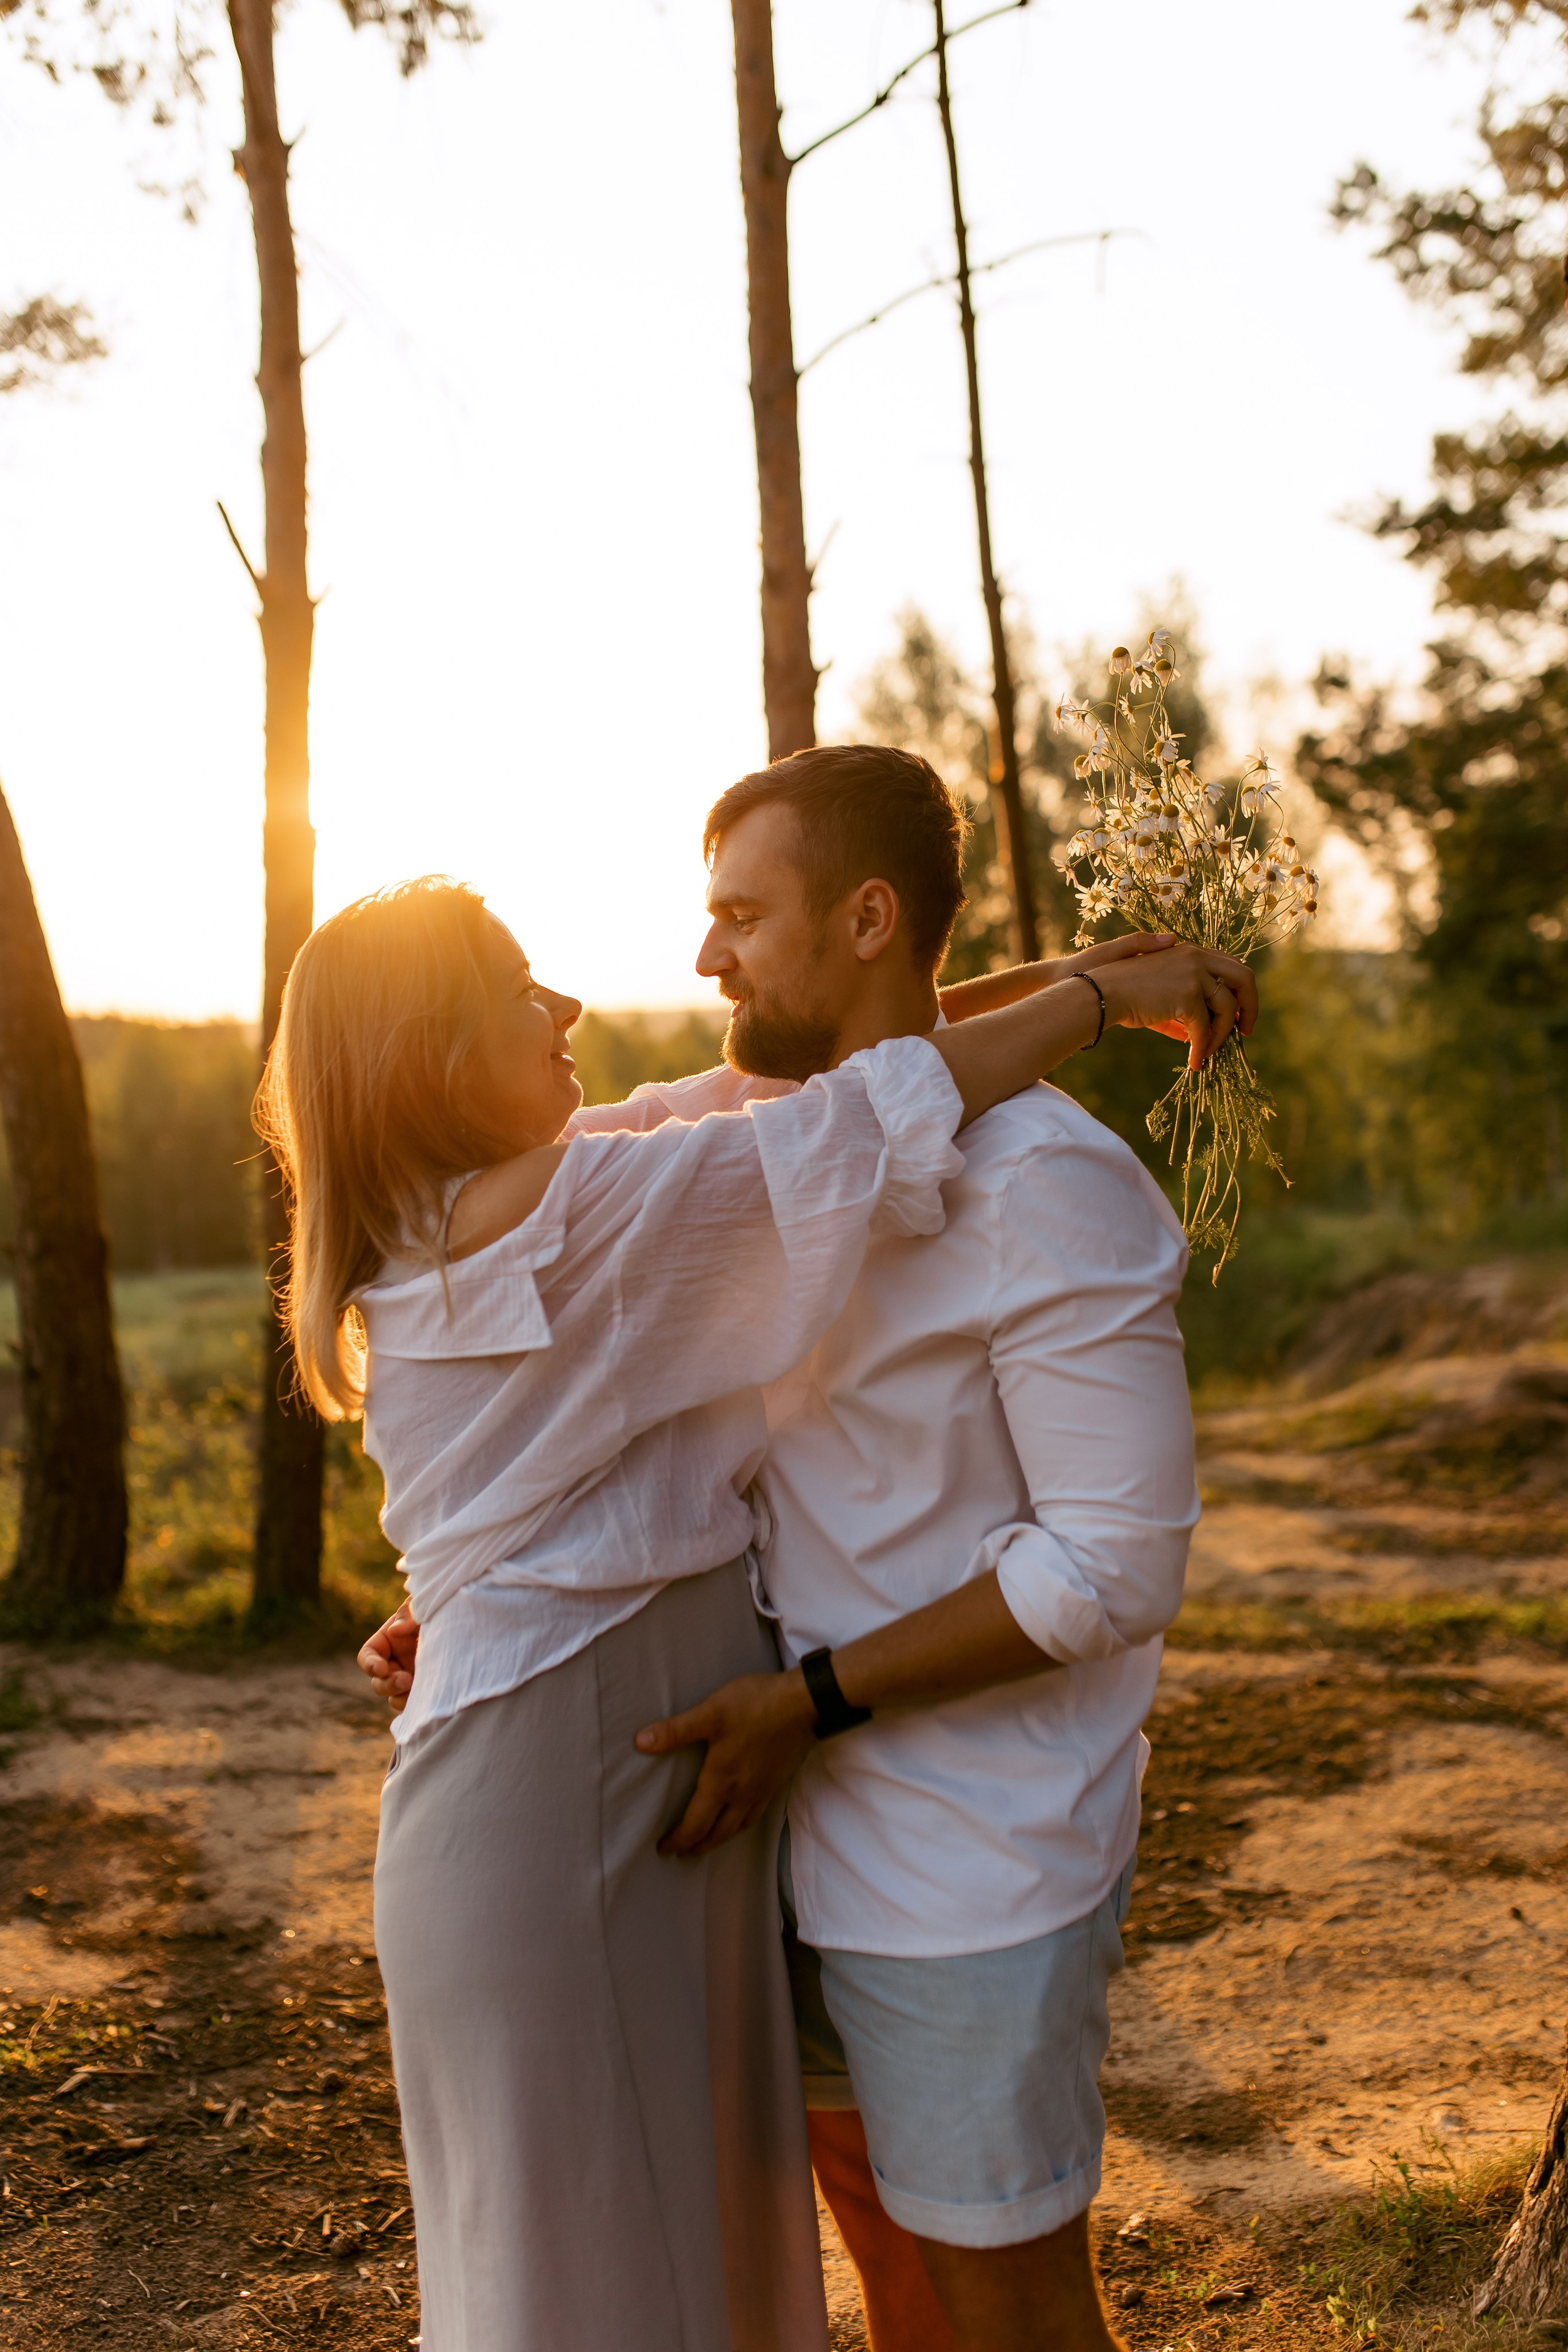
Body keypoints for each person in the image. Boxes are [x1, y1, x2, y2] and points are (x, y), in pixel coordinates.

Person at [263, 862, 1245, 2352]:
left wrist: (1069, 972)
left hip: (591, 1797)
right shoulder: (569, 1211)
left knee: (642, 2271)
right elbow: (855, 1108)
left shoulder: (509, 1198)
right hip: (567, 1816)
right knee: (600, 2290)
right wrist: (1101, 1002)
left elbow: (794, 1072)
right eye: (519, 992)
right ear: (430, 1056)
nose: (569, 1004)